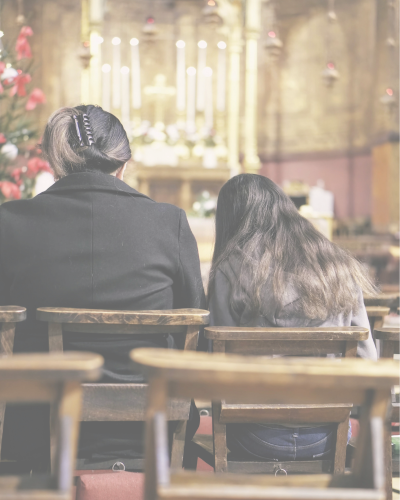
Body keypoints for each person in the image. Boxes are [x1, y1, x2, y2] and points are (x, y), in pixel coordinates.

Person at [0, 105, 205, 470]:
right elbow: (196, 331)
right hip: (154, 430)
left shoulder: (10, 223)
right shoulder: (169, 223)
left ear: (54, 164)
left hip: (35, 431)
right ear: (124, 163)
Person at [208, 174, 377, 462]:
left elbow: (217, 362)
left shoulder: (229, 269)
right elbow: (367, 360)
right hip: (329, 434)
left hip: (253, 436)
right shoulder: (336, 265)